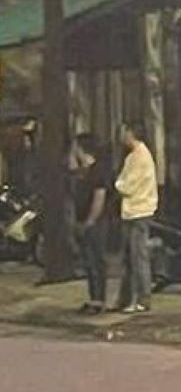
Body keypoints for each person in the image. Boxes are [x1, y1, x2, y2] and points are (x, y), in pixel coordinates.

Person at [114, 121, 158, 314]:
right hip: (132, 211)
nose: (121, 136)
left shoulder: (140, 157)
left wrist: (117, 184)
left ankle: (142, 299)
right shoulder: (133, 156)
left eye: (124, 132)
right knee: (129, 258)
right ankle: (125, 299)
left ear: (131, 133)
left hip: (139, 211)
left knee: (138, 257)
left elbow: (127, 185)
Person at [70, 134, 111, 314]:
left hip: (96, 222)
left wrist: (90, 221)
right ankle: (93, 297)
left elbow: (99, 198)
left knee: (97, 261)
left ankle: (99, 300)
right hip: (83, 219)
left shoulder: (98, 171)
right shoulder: (84, 171)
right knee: (88, 261)